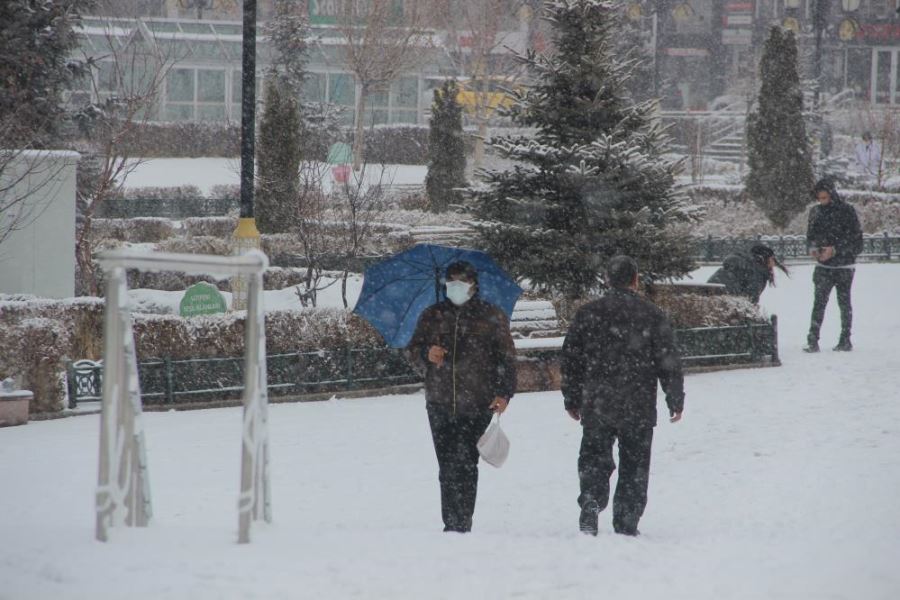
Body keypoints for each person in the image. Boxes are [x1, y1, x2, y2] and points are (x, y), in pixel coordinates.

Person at [561, 255, 684, 537]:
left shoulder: (588, 313)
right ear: (635, 280)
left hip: (598, 400)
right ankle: (627, 520)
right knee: (635, 464)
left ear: (606, 279)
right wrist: (674, 398)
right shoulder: (652, 315)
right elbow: (668, 360)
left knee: (594, 456)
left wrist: (572, 397)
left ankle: (591, 498)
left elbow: (571, 358)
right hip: (637, 400)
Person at [406, 261, 517, 533]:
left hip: (477, 402)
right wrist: (426, 355)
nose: (455, 286)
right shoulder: (432, 315)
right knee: (447, 466)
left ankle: (462, 521)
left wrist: (504, 393)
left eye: (461, 281)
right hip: (439, 402)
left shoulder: (491, 316)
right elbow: (412, 351)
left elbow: (506, 358)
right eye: (451, 281)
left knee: (467, 463)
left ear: (473, 285)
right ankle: (450, 522)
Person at [804, 178, 863, 353]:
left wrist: (835, 250)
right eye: (819, 198)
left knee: (844, 303)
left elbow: (857, 243)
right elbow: (810, 236)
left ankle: (845, 339)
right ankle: (812, 340)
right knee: (818, 303)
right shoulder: (815, 212)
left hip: (844, 267)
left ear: (832, 194)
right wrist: (813, 249)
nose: (821, 201)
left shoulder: (847, 211)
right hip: (823, 267)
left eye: (824, 197)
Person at [707, 244, 789, 304]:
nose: (774, 262)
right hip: (728, 304)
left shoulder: (740, 265)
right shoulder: (755, 271)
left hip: (709, 301)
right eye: (772, 258)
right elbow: (751, 299)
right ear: (764, 259)